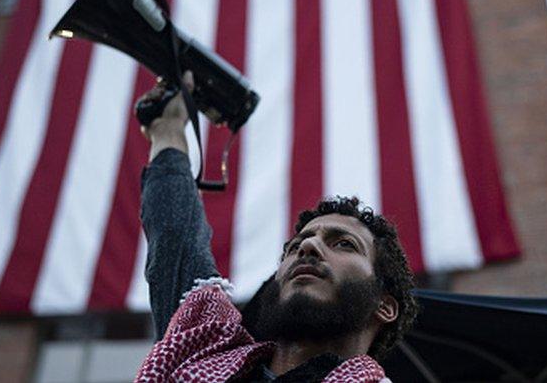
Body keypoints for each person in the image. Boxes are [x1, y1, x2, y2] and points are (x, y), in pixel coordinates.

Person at [134, 72, 419, 382]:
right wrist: (167, 130)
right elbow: (176, 238)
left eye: (344, 244)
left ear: (385, 305)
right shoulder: (202, 354)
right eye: (294, 247)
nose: (308, 248)